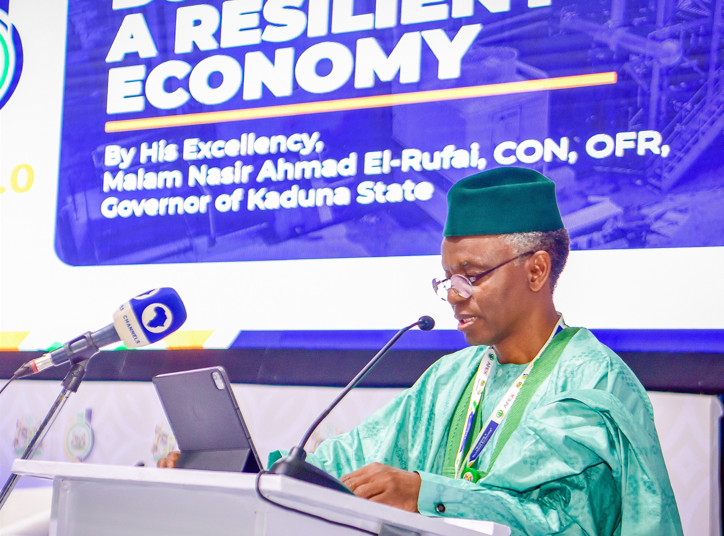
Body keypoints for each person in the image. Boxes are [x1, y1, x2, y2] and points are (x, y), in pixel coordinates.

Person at [161, 167, 684, 535]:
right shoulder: (450, 377)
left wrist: (425, 494)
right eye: (448, 278)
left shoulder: (594, 385)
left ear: (537, 270)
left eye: (472, 277)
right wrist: (254, 474)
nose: (454, 294)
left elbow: (563, 523)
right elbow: (346, 464)